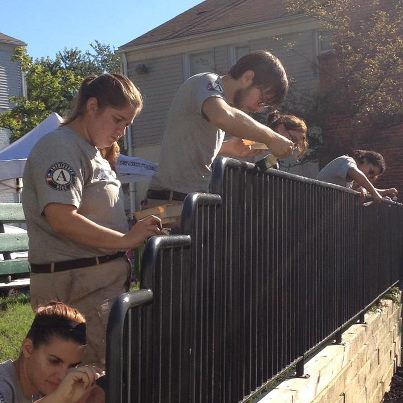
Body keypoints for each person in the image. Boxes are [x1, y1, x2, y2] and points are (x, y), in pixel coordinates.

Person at [22, 73, 162, 369]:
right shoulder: (60, 146)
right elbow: (61, 218)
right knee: (87, 381)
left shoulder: (93, 152)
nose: (121, 131)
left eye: (127, 124)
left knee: (103, 380)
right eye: (117, 119)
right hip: (78, 290)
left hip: (96, 288)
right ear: (92, 106)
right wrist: (126, 240)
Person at [146, 50, 294, 208]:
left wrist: (228, 148)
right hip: (169, 202)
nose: (258, 110)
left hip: (188, 202)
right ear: (248, 77)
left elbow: (186, 148)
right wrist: (271, 138)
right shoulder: (206, 81)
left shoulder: (218, 102)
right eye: (261, 101)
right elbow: (223, 116)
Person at [0, 302, 104, 403]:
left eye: (72, 366)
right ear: (28, 349)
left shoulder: (41, 387)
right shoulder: (3, 387)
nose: (62, 377)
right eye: (54, 361)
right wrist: (58, 398)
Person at [316, 149, 398, 201]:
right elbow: (355, 173)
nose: (369, 177)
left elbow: (362, 187)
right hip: (312, 206)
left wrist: (385, 192)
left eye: (372, 176)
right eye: (371, 171)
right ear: (365, 160)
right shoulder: (346, 160)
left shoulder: (349, 180)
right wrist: (375, 194)